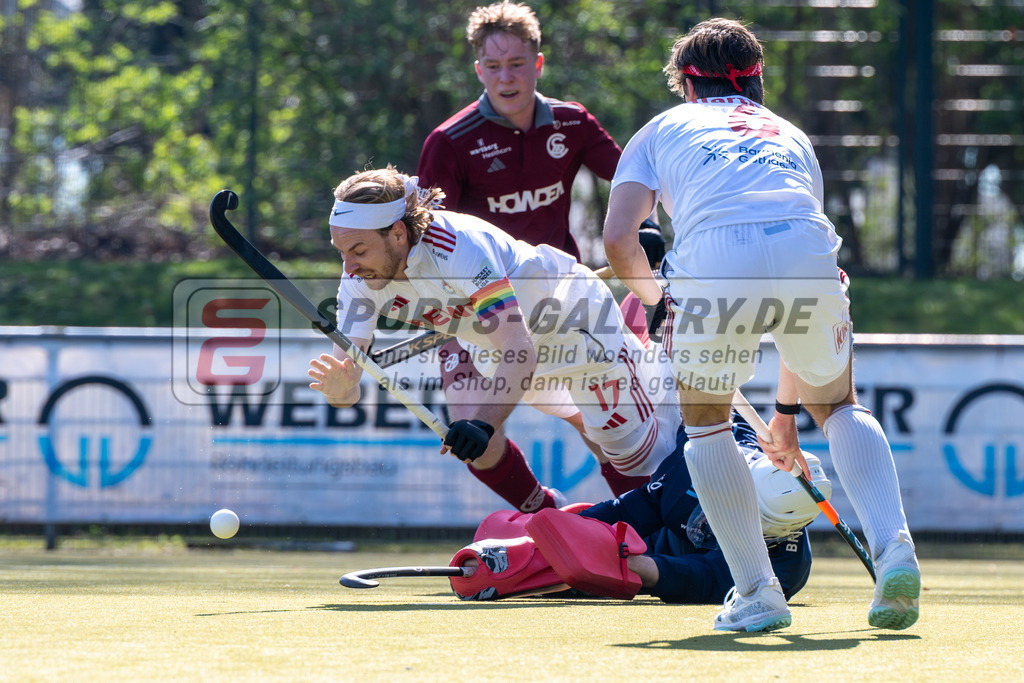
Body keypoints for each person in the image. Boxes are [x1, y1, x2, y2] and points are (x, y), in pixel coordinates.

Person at [602, 18, 919, 632]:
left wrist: (656, 298)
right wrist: (787, 417)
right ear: (756, 81)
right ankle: (896, 552)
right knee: (843, 404)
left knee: (707, 427)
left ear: (686, 86)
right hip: (808, 258)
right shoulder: (792, 136)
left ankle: (757, 592)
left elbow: (619, 239)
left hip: (716, 265)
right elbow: (786, 259)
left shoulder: (662, 128)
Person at [307, 166, 681, 506]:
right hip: (500, 355)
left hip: (573, 325)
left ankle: (673, 536)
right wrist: (343, 390)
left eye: (358, 250)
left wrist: (483, 423)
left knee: (630, 448)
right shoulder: (358, 281)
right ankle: (573, 523)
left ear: (398, 233)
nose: (349, 267)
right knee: (592, 428)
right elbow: (349, 384)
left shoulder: (458, 247)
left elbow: (521, 350)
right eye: (342, 252)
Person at [416, 0, 651, 508]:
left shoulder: (572, 123)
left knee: (604, 425)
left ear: (538, 64)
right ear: (478, 69)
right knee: (468, 432)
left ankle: (652, 524)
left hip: (557, 306)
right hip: (475, 314)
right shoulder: (449, 142)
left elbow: (635, 176)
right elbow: (423, 238)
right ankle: (543, 515)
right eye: (494, 67)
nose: (506, 78)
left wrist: (644, 226)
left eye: (517, 64)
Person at [449, 415, 829, 605]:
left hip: (657, 560)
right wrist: (568, 528)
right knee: (564, 528)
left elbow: (704, 579)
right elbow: (640, 506)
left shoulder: (786, 571)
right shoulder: (704, 451)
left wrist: (647, 570)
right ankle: (535, 529)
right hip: (647, 530)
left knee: (582, 573)